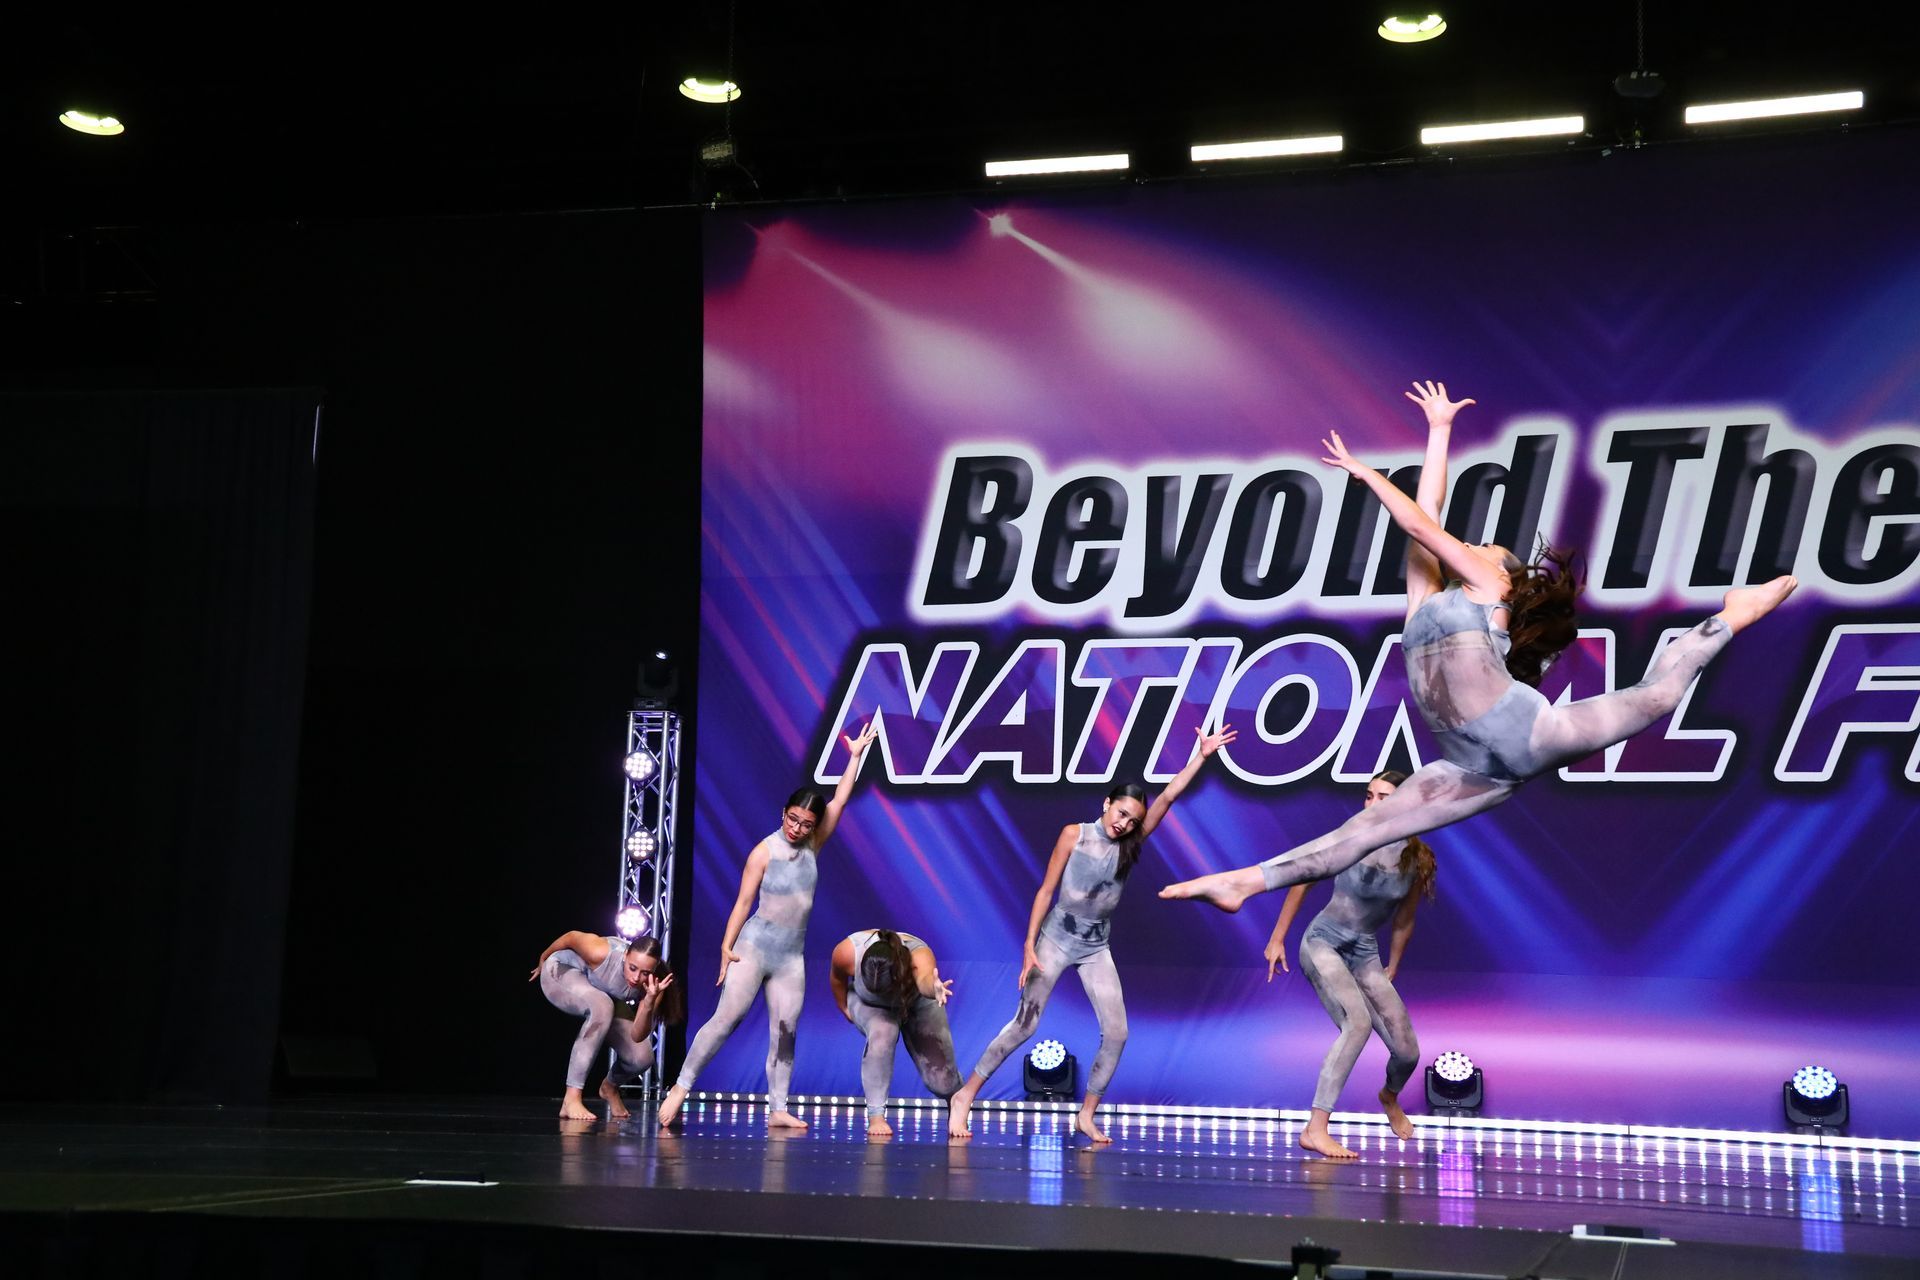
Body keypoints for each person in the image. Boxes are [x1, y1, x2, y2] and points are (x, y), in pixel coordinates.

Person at [1161, 381, 1795, 911]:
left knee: (1655, 696)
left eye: (1492, 546)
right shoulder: (1424, 602)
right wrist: (1438, 431)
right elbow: (1427, 513)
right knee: (1363, 830)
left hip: (1524, 735)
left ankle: (1732, 618)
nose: (1481, 544)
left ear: (1507, 577)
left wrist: (1366, 474)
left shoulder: (1489, 585)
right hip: (1470, 764)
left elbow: (1415, 520)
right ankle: (1249, 881)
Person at [948, 725, 1238, 1143]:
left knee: (1118, 1032)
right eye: (1121, 813)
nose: (1125, 823)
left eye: (1133, 819)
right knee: (1024, 1025)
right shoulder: (1075, 834)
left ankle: (1086, 1114)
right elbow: (1046, 890)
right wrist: (1029, 947)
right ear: (1106, 804)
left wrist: (1202, 756)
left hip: (1095, 945)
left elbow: (1170, 796)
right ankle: (965, 1096)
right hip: (1055, 939)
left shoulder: (1129, 843)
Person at [657, 721, 880, 1129]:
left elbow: (841, 801)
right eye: (792, 820)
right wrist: (727, 948)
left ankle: (778, 1108)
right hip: (754, 946)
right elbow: (743, 902)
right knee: (726, 1021)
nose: (797, 828)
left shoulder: (814, 844)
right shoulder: (764, 851)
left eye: (806, 824)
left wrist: (854, 757)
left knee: (786, 1031)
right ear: (783, 813)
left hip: (791, 956)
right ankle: (680, 1089)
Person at [1264, 770, 1433, 1159]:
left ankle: (1389, 1097)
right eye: (1369, 796)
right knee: (1356, 1024)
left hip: (1365, 952)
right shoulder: (1349, 837)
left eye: (1383, 797)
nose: (1372, 805)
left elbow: (1405, 919)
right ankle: (1316, 1128)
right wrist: (1277, 938)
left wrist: (1392, 966)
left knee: (1407, 1051)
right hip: (1323, 940)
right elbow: (1302, 880)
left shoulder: (1416, 858)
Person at [531, 930, 683, 1121]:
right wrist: (542, 959)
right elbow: (569, 937)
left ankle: (609, 1088)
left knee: (642, 1058)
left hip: (604, 994)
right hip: (561, 971)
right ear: (626, 955)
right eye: (632, 968)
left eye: (645, 973)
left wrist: (648, 1003)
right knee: (601, 1005)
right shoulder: (600, 952)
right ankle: (571, 1099)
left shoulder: (654, 986)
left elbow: (637, 1036)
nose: (636, 978)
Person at [829, 927, 961, 1136]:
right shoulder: (847, 951)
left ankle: (957, 1106)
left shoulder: (918, 955)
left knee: (942, 1083)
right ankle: (876, 1116)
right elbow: (837, 978)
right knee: (884, 1031)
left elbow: (925, 980)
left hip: (918, 1001)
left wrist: (933, 988)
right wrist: (844, 1007)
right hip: (869, 1004)